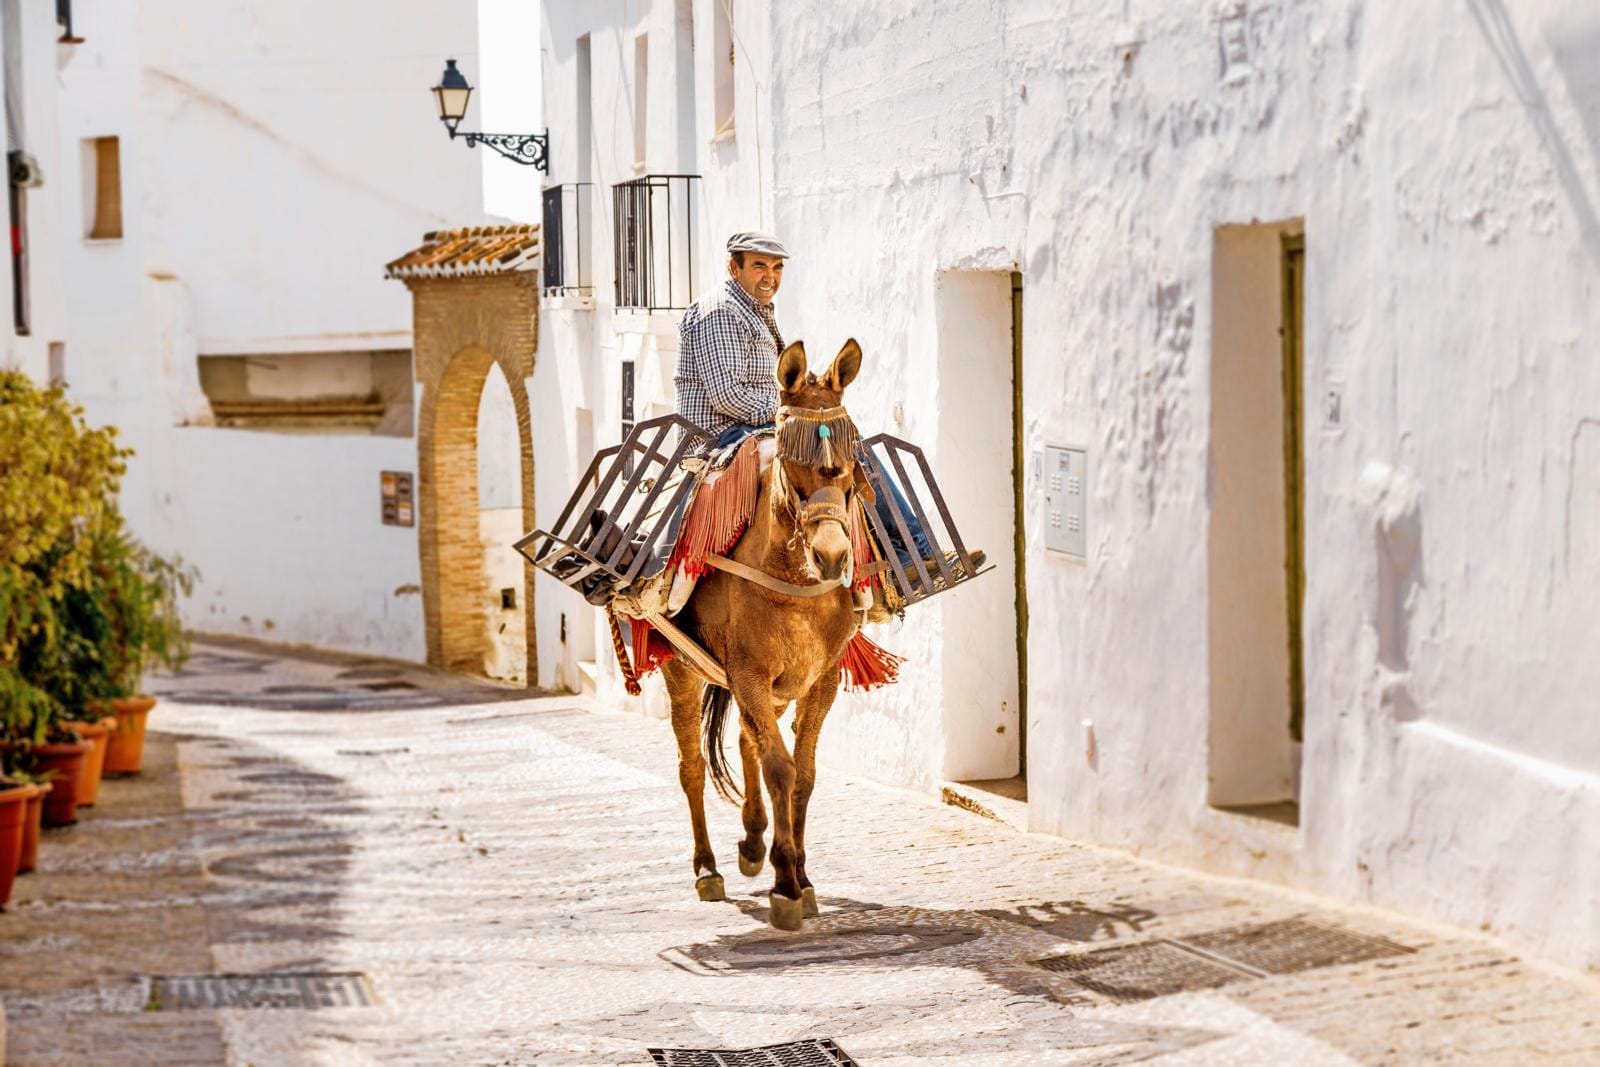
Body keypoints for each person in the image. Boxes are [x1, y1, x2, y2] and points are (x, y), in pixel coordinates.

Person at [675, 231, 982, 600]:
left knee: (848, 448)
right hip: (721, 437)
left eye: (776, 267)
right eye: (759, 266)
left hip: (756, 428)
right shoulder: (719, 312)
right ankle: (907, 557)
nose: (770, 276)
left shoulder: (755, 311)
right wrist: (789, 414)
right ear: (733, 267)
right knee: (827, 454)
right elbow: (728, 396)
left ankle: (909, 558)